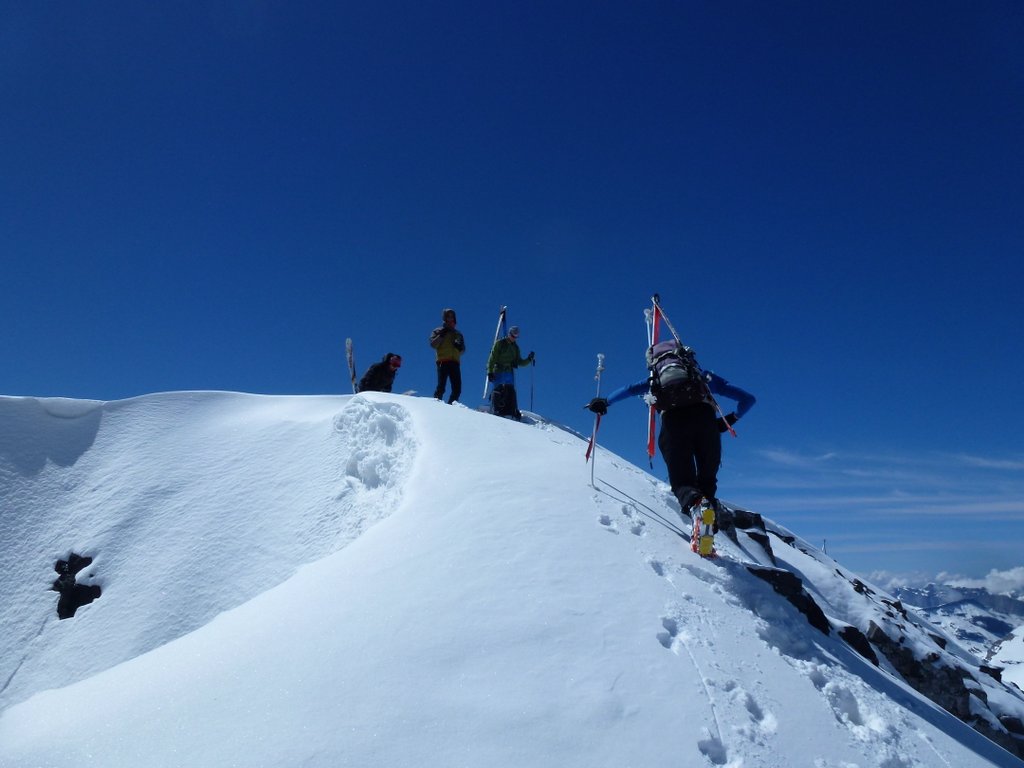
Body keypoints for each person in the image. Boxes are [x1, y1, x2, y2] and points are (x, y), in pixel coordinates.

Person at [586, 342, 754, 522]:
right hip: (706, 421)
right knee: (707, 479)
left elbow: (628, 390)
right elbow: (748, 399)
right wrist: (731, 419)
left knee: (682, 480)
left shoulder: (654, 382)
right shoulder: (702, 377)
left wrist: (605, 402)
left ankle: (696, 505)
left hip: (673, 423)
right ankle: (707, 518)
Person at [486, 326, 534, 420]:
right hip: (499, 370)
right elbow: (492, 358)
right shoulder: (500, 343)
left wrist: (529, 359)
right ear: (509, 334)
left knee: (510, 390)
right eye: (513, 335)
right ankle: (497, 409)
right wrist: (490, 371)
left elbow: (519, 361)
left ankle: (510, 410)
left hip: (509, 372)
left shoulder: (515, 347)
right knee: (498, 389)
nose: (514, 338)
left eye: (516, 336)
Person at [429, 308, 465, 403]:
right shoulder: (438, 330)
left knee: (457, 388)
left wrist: (459, 347)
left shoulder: (458, 334)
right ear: (444, 318)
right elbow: (433, 344)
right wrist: (441, 335)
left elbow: (463, 350)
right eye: (448, 316)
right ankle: (436, 404)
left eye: (452, 316)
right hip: (443, 360)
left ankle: (451, 407)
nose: (450, 318)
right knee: (441, 386)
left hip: (455, 362)